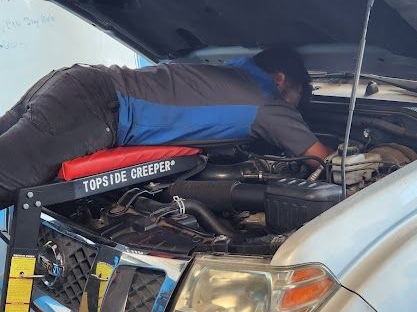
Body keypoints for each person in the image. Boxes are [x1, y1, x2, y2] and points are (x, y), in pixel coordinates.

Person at [0, 46, 330, 202]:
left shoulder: (231, 70)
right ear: (281, 79)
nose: (291, 112)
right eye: (294, 101)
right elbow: (320, 158)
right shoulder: (268, 101)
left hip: (70, 82)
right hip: (95, 107)